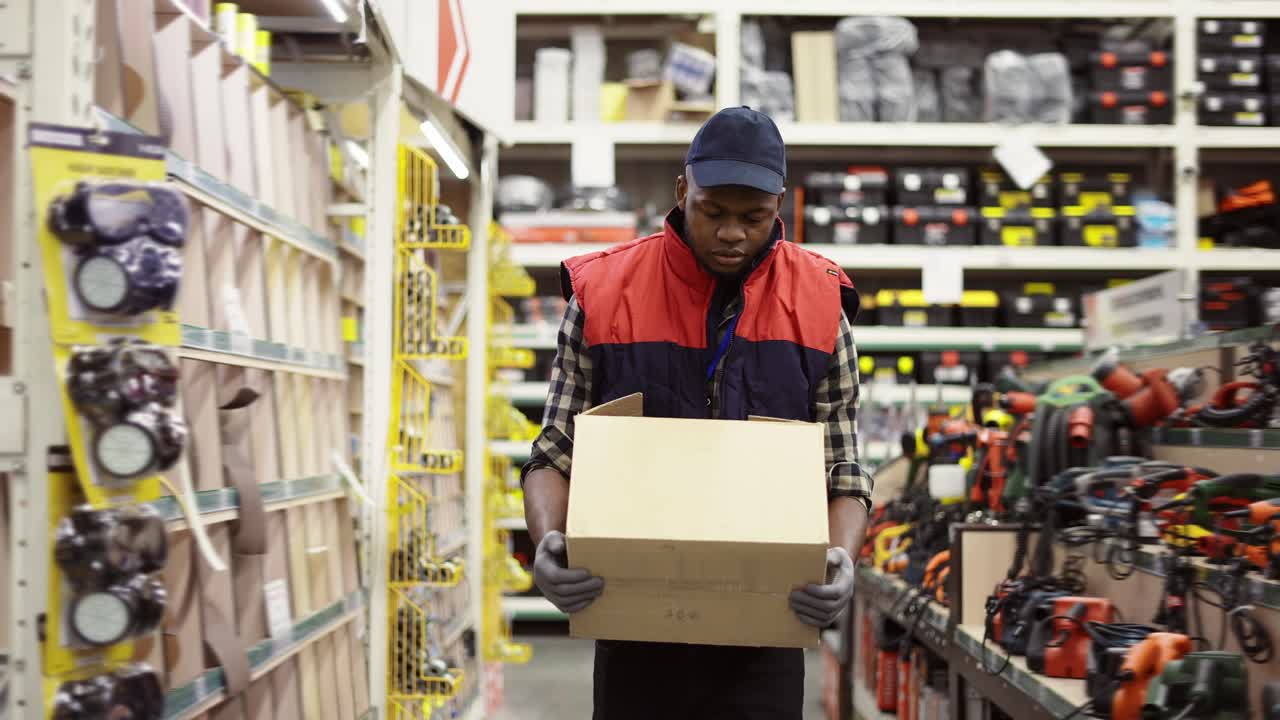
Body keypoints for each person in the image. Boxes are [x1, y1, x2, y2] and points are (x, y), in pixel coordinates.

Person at [520, 106, 873, 719]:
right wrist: (549, 542)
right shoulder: (603, 293)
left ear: (780, 206)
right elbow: (555, 448)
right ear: (683, 191)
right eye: (714, 212)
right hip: (636, 629)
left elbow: (842, 464)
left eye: (754, 218)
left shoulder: (820, 304)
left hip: (765, 629)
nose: (732, 233)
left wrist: (841, 560)